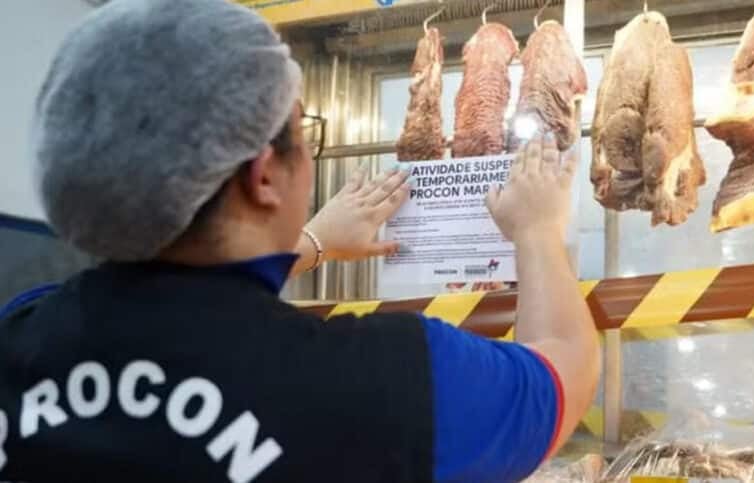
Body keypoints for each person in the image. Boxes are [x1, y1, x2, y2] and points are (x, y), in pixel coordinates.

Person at [0, 1, 600, 482]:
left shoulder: (17, 333)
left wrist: (309, 243)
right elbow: (561, 370)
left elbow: (186, 309)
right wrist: (537, 233)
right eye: (301, 132)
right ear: (264, 176)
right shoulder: (390, 380)